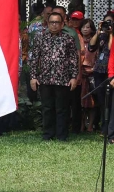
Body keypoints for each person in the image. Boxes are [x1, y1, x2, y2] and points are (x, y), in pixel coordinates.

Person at [29, 12, 78, 141]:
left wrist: (74, 77)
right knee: (47, 108)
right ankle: (48, 134)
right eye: (52, 22)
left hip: (62, 79)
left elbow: (73, 59)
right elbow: (34, 59)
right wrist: (33, 77)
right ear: (47, 23)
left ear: (62, 24)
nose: (54, 25)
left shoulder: (68, 39)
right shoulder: (40, 38)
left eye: (57, 22)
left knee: (62, 109)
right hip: (45, 79)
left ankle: (62, 135)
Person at [90, 12, 114, 135]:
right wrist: (98, 31)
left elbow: (111, 48)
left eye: (110, 22)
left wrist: (111, 34)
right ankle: (104, 128)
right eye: (106, 22)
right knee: (102, 101)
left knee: (110, 102)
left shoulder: (112, 37)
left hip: (111, 73)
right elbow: (91, 47)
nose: (108, 25)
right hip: (99, 71)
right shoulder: (101, 35)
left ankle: (109, 129)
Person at [68, 10, 85, 133]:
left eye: (77, 20)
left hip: (78, 71)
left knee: (76, 102)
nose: (75, 22)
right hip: (66, 71)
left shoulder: (79, 35)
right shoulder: (67, 32)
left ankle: (76, 127)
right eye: (73, 19)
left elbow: (80, 55)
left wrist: (78, 73)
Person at [79, 19, 97, 132]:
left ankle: (90, 125)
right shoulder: (78, 40)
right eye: (83, 27)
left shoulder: (95, 41)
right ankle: (81, 125)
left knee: (92, 102)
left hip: (92, 73)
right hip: (81, 74)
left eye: (88, 27)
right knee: (81, 102)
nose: (85, 29)